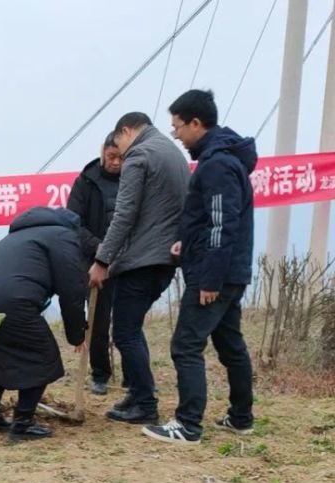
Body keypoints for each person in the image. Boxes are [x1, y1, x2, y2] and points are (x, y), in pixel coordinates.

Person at [143, 89, 256, 446]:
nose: (176, 135)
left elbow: (223, 225)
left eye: (177, 127)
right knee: (230, 344)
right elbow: (209, 221)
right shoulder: (220, 159)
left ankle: (188, 425)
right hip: (228, 271)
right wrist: (185, 242)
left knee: (186, 345)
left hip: (216, 275)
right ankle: (241, 417)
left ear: (196, 123)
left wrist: (210, 279)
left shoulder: (218, 164)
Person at [87, 112, 190, 424]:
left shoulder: (139, 155)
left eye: (118, 145)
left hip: (142, 260)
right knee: (132, 329)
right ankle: (138, 392)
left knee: (125, 333)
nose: (120, 154)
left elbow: (124, 214)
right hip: (166, 259)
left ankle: (145, 403)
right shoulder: (172, 152)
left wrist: (102, 260)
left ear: (126, 131)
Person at [0, 207, 87, 441]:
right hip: (12, 300)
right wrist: (77, 334)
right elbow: (72, 290)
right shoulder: (63, 235)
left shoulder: (16, 236)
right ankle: (23, 422)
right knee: (42, 355)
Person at [67, 133, 122, 395]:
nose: (116, 162)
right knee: (98, 321)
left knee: (128, 323)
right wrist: (99, 248)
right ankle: (100, 373)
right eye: (111, 156)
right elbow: (73, 222)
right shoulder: (86, 182)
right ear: (103, 152)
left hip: (127, 261)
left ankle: (135, 377)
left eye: (121, 158)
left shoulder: (133, 179)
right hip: (94, 262)